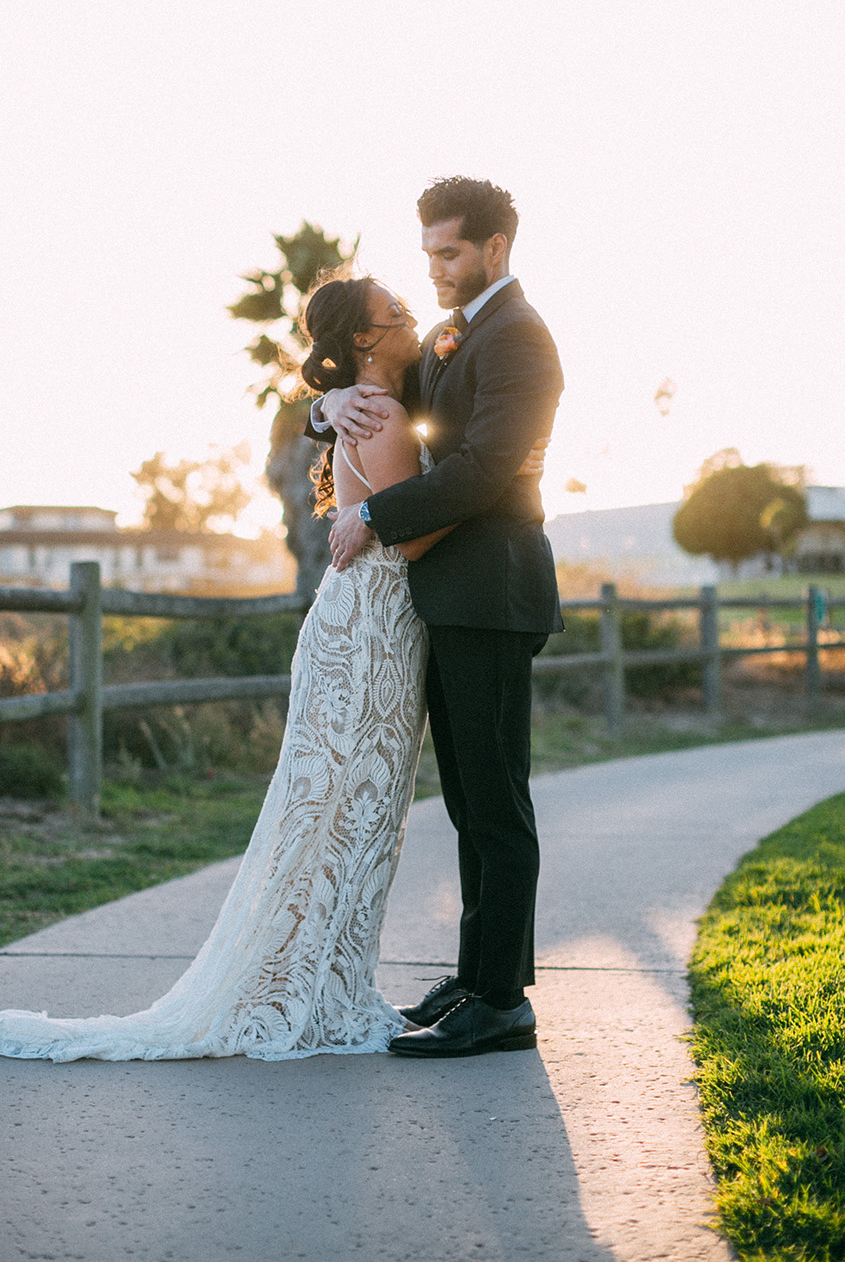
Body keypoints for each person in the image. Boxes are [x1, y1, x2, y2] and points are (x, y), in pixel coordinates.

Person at [0, 277, 447, 1064]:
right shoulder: (380, 416)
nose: (413, 318)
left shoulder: (367, 406)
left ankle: (317, 986)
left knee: (347, 816)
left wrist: (329, 410)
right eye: (397, 314)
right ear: (366, 340)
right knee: (344, 815)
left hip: (367, 630)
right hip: (369, 638)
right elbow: (415, 537)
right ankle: (308, 993)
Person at [319, 176, 564, 1058]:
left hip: (493, 593)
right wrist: (325, 403)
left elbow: (485, 470)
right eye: (427, 254)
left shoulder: (520, 338)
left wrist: (374, 517)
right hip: (452, 597)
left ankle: (502, 1002)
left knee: (496, 801)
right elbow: (383, 386)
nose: (434, 270)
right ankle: (476, 977)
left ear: (495, 247)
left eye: (450, 252)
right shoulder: (453, 335)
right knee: (468, 803)